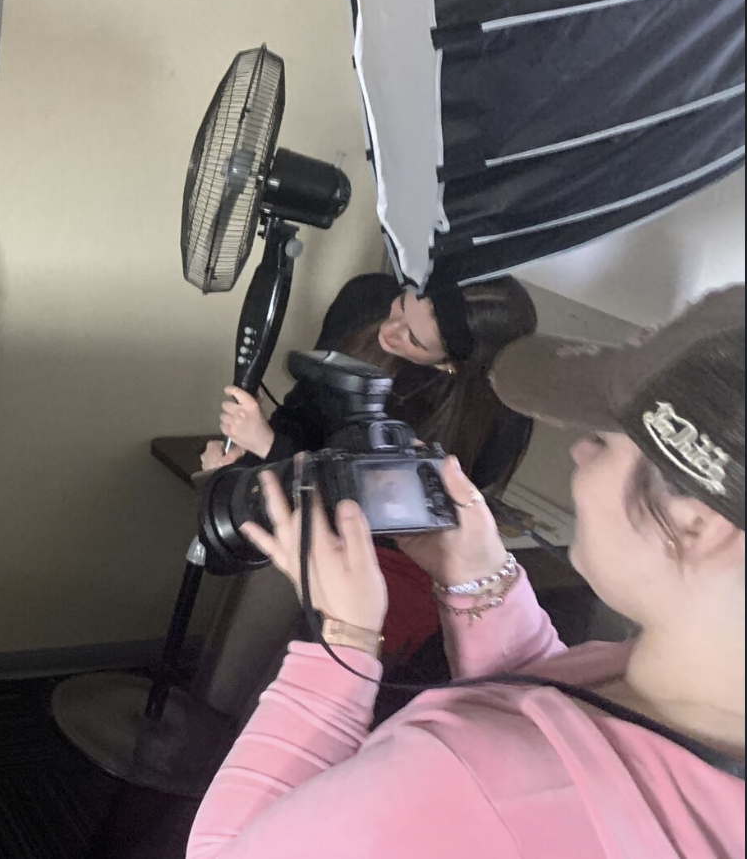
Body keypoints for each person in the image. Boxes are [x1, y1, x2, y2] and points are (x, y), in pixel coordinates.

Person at [185, 284, 745, 859]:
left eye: (601, 441)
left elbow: (222, 852)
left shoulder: (461, 781)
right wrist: (480, 578)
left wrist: (344, 645)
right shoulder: (664, 686)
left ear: (697, 522)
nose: (578, 452)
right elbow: (554, 702)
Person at [203, 272, 538, 671]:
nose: (390, 330)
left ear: (452, 364)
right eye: (402, 305)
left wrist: (269, 446)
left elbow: (382, 507)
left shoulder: (497, 419)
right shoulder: (364, 303)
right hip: (309, 512)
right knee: (239, 644)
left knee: (313, 666)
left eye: (414, 339)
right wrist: (248, 453)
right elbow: (301, 417)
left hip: (401, 555)